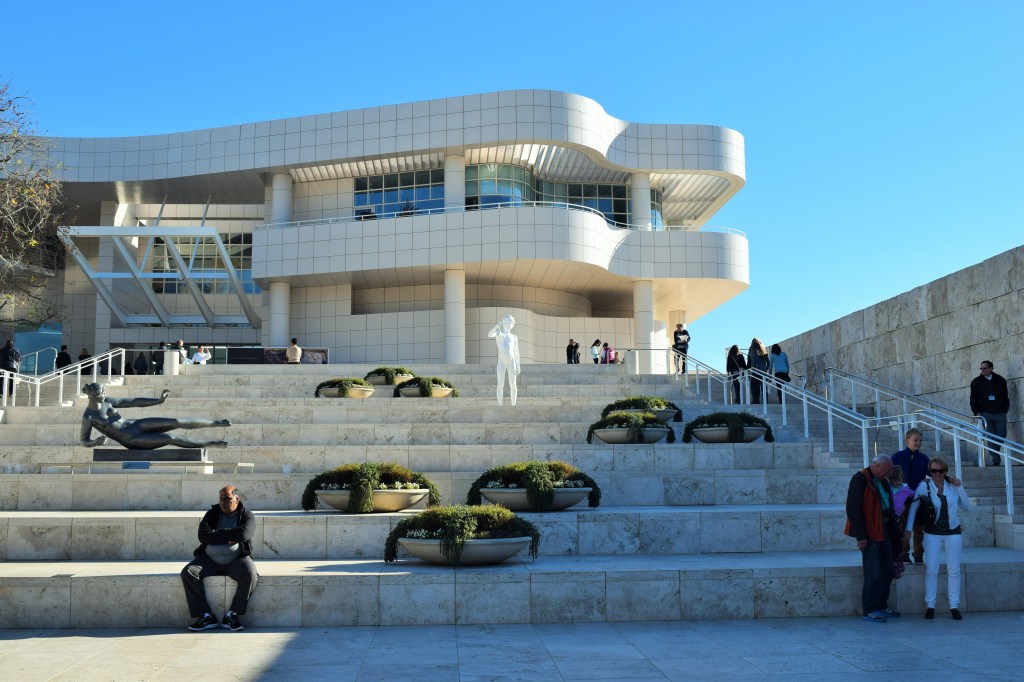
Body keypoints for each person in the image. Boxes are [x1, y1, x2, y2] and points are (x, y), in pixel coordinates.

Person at [180, 485, 258, 632]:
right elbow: (203, 535)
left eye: (228, 499)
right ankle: (206, 615)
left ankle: (232, 614)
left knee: (250, 574)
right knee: (188, 572)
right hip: (209, 560)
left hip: (236, 560)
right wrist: (228, 535)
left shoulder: (246, 515)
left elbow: (244, 534)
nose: (223, 502)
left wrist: (216, 534)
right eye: (221, 498)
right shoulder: (212, 513)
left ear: (237, 499)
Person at [905, 457, 971, 620]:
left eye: (940, 471)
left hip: (953, 532)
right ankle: (930, 606)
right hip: (932, 533)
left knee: (954, 570)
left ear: (945, 471)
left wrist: (960, 486)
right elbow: (913, 508)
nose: (937, 474)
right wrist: (908, 530)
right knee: (932, 569)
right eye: (934, 471)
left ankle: (954, 606)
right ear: (930, 471)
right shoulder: (924, 486)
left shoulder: (952, 486)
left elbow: (967, 507)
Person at [79, 382, 230, 450]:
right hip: (130, 439)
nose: (104, 396)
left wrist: (158, 401)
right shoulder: (89, 416)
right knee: (171, 438)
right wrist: (95, 442)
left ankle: (216, 422)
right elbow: (84, 440)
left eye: (104, 393)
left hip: (134, 425)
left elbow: (134, 402)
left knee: (176, 421)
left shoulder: (107, 401)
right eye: (100, 394)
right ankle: (209, 444)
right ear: (91, 396)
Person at [845, 454, 900, 623]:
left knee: (888, 571)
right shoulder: (860, 479)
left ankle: (881, 605)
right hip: (869, 532)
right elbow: (853, 508)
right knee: (873, 573)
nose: (889, 473)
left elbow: (886, 503)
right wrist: (861, 536)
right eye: (886, 470)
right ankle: (869, 609)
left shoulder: (881, 480)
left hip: (884, 530)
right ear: (876, 467)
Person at [890, 428, 930, 563]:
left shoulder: (924, 459)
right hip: (902, 499)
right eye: (915, 440)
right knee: (902, 525)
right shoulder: (898, 456)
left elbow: (932, 473)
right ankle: (903, 552)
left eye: (920, 440)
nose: (918, 443)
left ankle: (918, 553)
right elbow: (890, 474)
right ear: (907, 441)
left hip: (917, 498)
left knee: (919, 527)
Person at [970, 360, 1010, 466]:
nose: (982, 370)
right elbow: (972, 399)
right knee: (990, 436)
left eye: (985, 368)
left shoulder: (1000, 380)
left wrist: (1005, 409)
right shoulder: (976, 382)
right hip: (985, 413)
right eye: (981, 368)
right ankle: (996, 459)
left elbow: (1005, 396)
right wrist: (976, 412)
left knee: (1001, 434)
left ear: (991, 368)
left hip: (1000, 413)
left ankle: (994, 452)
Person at [488, 314, 520, 406]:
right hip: (501, 361)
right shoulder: (499, 333)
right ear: (503, 323)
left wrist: (518, 365)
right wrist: (496, 326)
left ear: (513, 324)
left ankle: (513, 404)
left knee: (513, 384)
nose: (508, 324)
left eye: (510, 322)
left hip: (512, 360)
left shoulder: (514, 337)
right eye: (506, 322)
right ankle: (500, 405)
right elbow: (489, 334)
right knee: (500, 383)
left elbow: (516, 351)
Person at [887, 465, 912, 575]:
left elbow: (914, 494)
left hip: (899, 518)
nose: (898, 483)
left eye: (900, 480)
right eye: (895, 480)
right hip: (888, 517)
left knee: (899, 539)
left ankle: (898, 560)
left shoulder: (905, 489)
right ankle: (889, 560)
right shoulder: (887, 488)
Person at [747, 338, 769, 404]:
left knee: (754, 388)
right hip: (763, 373)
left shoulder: (752, 350)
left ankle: (756, 401)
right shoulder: (763, 350)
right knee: (764, 389)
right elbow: (769, 363)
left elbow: (752, 361)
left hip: (755, 372)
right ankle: (765, 402)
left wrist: (751, 370)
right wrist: (765, 369)